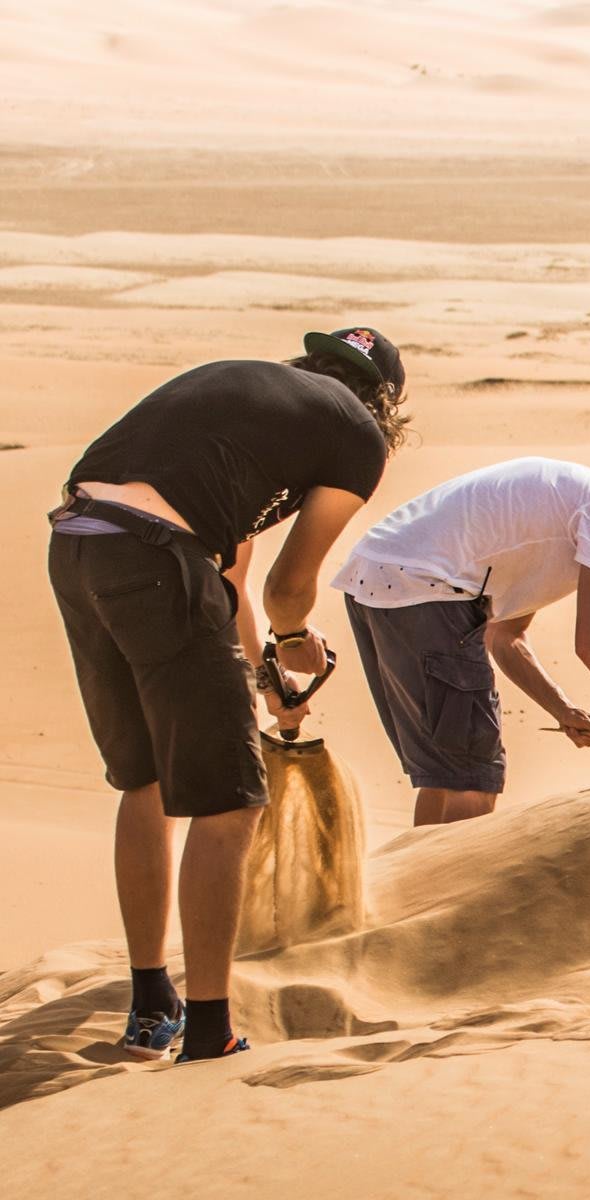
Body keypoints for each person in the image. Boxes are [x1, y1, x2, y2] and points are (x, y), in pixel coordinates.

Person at [48, 327, 408, 1061]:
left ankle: (153, 1001)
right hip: (155, 559)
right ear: (384, 405)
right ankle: (212, 1034)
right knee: (229, 803)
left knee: (144, 779)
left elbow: (229, 582)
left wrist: (266, 672)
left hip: (79, 546)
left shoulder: (249, 401)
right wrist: (297, 638)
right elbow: (283, 588)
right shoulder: (358, 438)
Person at [333, 457, 590, 826]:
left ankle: (410, 897)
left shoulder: (589, 510)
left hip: (380, 578)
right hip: (425, 587)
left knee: (448, 776)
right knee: (474, 781)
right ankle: (447, 902)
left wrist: (561, 708)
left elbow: (506, 636)